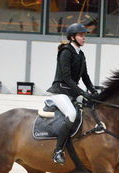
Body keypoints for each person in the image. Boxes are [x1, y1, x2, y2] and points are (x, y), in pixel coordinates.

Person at [47, 23, 98, 165]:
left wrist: (93, 91)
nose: (84, 38)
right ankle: (58, 151)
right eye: (81, 35)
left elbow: (85, 76)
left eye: (84, 35)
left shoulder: (80, 54)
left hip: (72, 92)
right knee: (71, 114)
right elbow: (67, 78)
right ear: (72, 37)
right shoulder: (66, 52)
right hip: (60, 91)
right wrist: (82, 93)